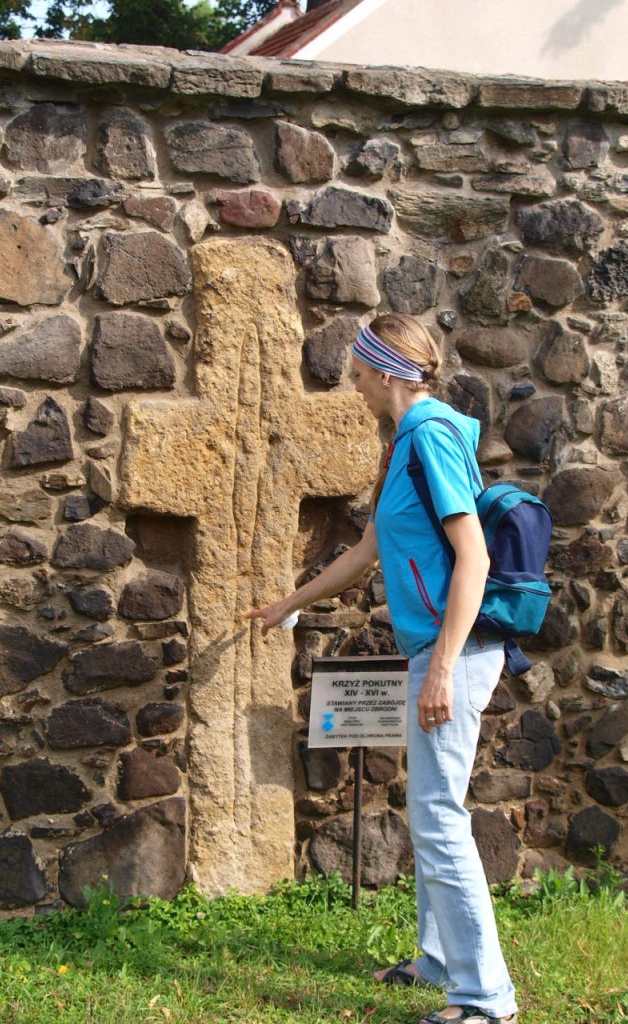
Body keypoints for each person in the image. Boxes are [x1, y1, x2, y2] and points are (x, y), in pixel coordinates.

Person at [247, 313, 519, 1024]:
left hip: (453, 652)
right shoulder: (404, 444)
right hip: (436, 649)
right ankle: (436, 959)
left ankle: (486, 999)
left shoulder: (431, 436)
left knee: (435, 815)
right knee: (432, 806)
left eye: (363, 374)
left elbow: (474, 558)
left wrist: (439, 670)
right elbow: (367, 551)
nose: (356, 387)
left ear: (392, 373)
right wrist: (286, 605)